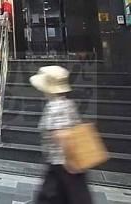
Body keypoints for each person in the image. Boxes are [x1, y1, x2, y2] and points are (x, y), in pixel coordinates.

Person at [31, 66, 93, 204]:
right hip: (66, 164)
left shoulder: (54, 107)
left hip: (62, 165)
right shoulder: (68, 104)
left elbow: (62, 135)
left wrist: (70, 163)